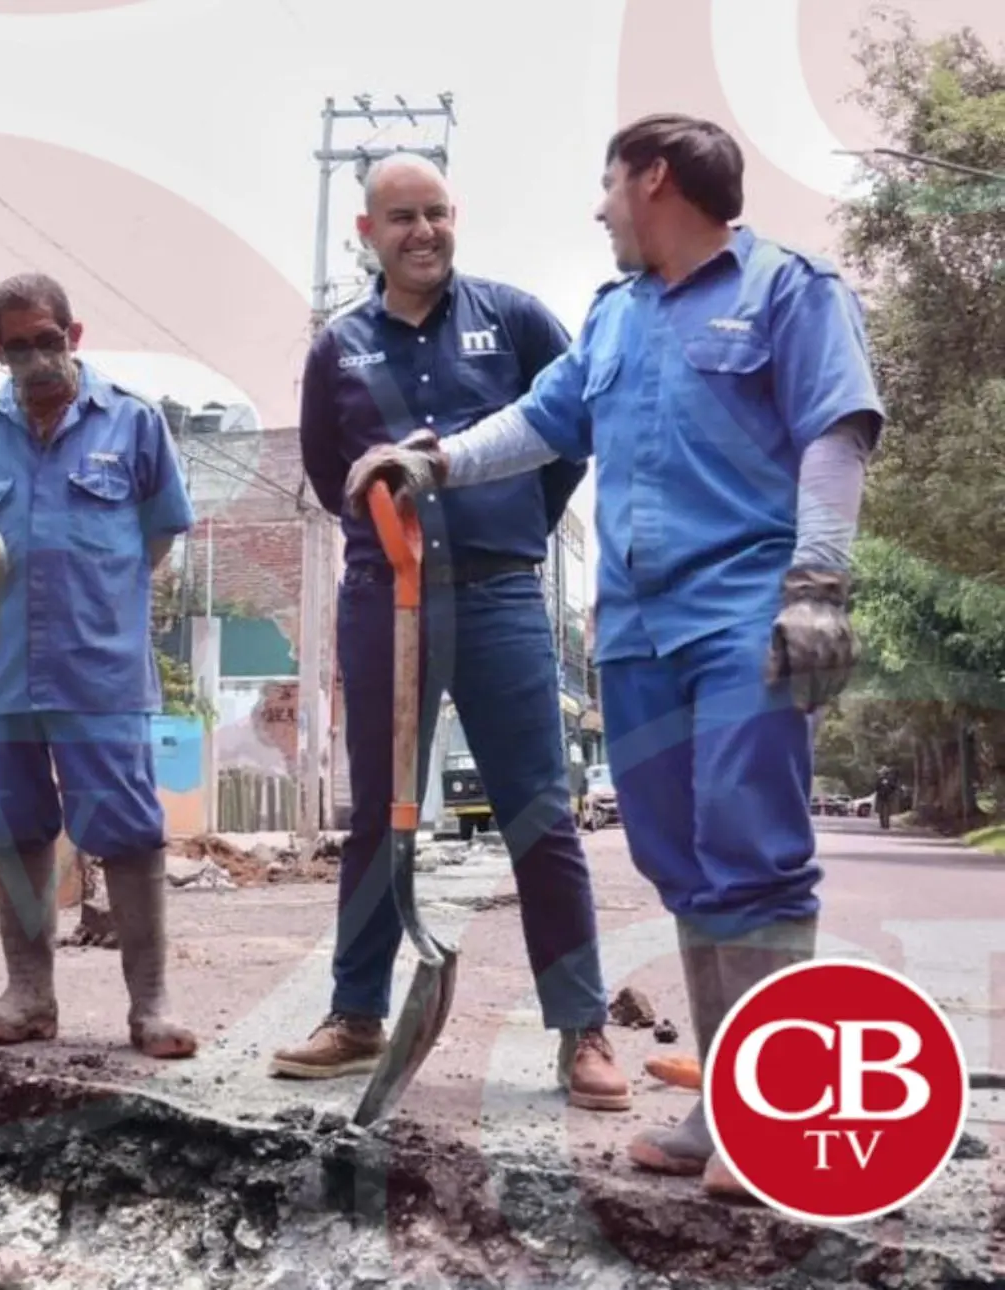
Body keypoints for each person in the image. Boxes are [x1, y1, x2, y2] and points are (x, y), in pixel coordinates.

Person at [345, 114, 884, 1199]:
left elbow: (836, 432)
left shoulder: (787, 289)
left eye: (606, 188)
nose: (597, 211)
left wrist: (818, 588)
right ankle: (723, 1107)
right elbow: (543, 423)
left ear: (654, 180)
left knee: (756, 856)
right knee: (679, 861)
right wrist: (430, 461)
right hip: (634, 630)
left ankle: (773, 1120)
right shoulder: (618, 318)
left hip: (745, 615)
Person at [272, 152, 630, 1113]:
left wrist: (511, 526)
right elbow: (325, 469)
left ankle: (581, 1027)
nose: (422, 231)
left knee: (539, 814)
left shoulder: (513, 320)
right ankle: (355, 1015)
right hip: (382, 598)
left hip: (500, 597)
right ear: (367, 233)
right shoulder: (335, 347)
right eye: (401, 218)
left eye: (436, 213)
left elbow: (567, 434)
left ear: (453, 216)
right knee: (378, 813)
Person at [0, 271, 199, 1060]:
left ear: (74, 334)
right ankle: (28, 996)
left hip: (100, 673)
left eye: (48, 340)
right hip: (1, 675)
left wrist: (98, 601)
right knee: (15, 831)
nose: (35, 359)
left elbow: (158, 539)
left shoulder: (133, 425)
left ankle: (150, 1004)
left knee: (125, 829)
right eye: (16, 347)